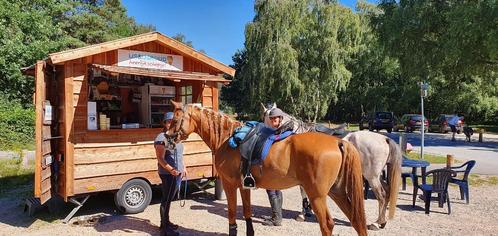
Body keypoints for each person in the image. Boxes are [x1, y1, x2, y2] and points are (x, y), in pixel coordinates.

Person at [154, 112, 186, 236]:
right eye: (168, 121)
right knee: (166, 200)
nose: (171, 124)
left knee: (169, 199)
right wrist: (171, 170)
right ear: (164, 123)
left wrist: (184, 167)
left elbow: (179, 155)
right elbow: (160, 158)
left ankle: (166, 222)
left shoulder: (174, 136)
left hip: (176, 174)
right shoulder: (161, 138)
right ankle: (164, 229)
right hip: (167, 174)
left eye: (173, 122)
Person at [262, 108, 285, 226]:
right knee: (276, 189)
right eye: (271, 118)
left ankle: (276, 218)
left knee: (271, 189)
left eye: (275, 118)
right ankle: (277, 214)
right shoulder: (277, 130)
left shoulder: (281, 132)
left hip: (275, 166)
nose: (272, 120)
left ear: (281, 118)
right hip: (276, 166)